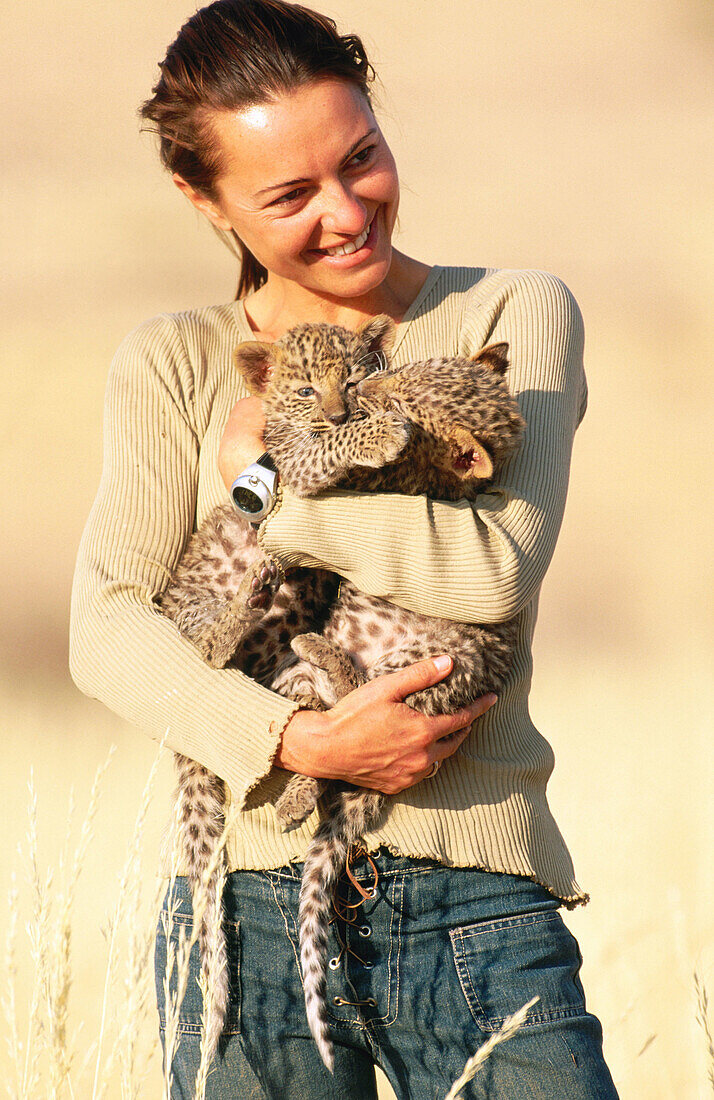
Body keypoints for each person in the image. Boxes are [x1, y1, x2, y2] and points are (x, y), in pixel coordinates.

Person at [69, 1, 619, 1097]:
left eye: (360, 156)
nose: (346, 210)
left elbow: (492, 569)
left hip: (480, 908)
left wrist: (262, 491)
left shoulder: (507, 316)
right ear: (202, 199)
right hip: (245, 915)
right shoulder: (176, 363)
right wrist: (296, 741)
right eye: (287, 195)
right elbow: (105, 627)